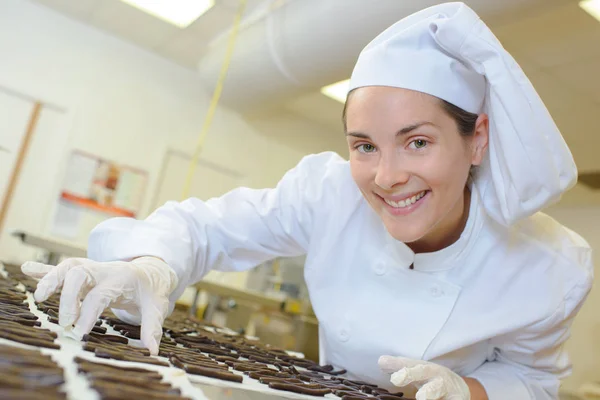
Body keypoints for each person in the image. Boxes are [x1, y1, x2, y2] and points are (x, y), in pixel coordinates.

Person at [22, 3, 593, 399]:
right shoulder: (329, 192)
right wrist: (150, 264)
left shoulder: (548, 264)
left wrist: (464, 390)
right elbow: (209, 228)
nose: (388, 176)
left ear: (478, 139)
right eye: (365, 145)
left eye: (417, 142)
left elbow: (533, 381)